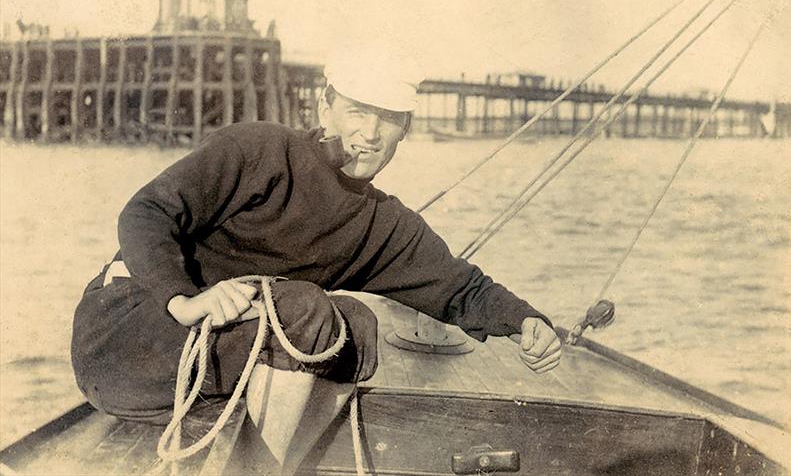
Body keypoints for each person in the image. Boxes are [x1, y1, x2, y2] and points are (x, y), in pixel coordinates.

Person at [71, 49, 562, 475]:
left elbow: (461, 290)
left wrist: (526, 321)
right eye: (357, 110)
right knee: (306, 308)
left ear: (405, 128)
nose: (369, 133)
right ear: (325, 105)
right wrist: (185, 300)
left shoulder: (382, 224)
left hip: (220, 357)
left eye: (388, 117)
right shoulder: (259, 149)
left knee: (358, 327)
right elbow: (146, 212)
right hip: (128, 337)